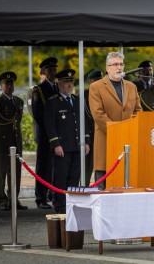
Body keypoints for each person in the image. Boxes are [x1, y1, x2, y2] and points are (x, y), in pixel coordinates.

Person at [89, 52, 142, 190]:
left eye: (121, 64)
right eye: (115, 64)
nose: (119, 67)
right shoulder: (97, 87)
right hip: (106, 140)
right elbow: (98, 114)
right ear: (107, 68)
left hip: (128, 142)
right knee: (103, 186)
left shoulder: (131, 86)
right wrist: (117, 131)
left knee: (125, 182)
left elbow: (138, 111)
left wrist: (130, 130)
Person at [44, 69, 90, 213]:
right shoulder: (53, 102)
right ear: (59, 83)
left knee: (74, 178)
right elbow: (50, 126)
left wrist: (87, 141)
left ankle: (71, 205)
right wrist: (56, 144)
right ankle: (60, 206)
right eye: (66, 82)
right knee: (61, 179)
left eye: (71, 82)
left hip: (77, 146)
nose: (69, 85)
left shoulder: (77, 100)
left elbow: (84, 122)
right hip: (63, 148)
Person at [0, 71, 28, 211]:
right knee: (1, 172)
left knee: (16, 173)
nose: (9, 86)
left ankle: (14, 199)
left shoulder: (18, 101)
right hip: (2, 141)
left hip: (16, 141)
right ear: (1, 86)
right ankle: (1, 201)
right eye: (6, 84)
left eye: (11, 83)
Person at [31, 57, 58, 209]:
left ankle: (52, 193)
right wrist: (51, 130)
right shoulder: (39, 90)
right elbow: (38, 114)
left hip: (56, 134)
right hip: (45, 134)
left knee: (55, 165)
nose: (53, 71)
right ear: (43, 72)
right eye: (49, 69)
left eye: (54, 69)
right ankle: (40, 197)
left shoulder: (57, 88)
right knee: (43, 165)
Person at [84, 70, 103, 186]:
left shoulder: (105, 93)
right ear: (91, 82)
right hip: (89, 134)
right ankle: (85, 187)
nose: (100, 82)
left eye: (101, 80)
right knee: (87, 165)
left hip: (101, 133)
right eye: (97, 80)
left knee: (101, 164)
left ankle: (100, 186)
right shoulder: (85, 95)